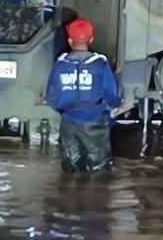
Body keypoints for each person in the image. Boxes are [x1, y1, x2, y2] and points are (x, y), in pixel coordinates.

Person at [45, 17, 121, 173]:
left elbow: (51, 96)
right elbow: (112, 94)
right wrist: (112, 108)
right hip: (94, 123)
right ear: (91, 39)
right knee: (100, 170)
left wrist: (65, 111)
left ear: (69, 40)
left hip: (68, 123)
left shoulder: (60, 64)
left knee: (70, 168)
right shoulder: (100, 64)